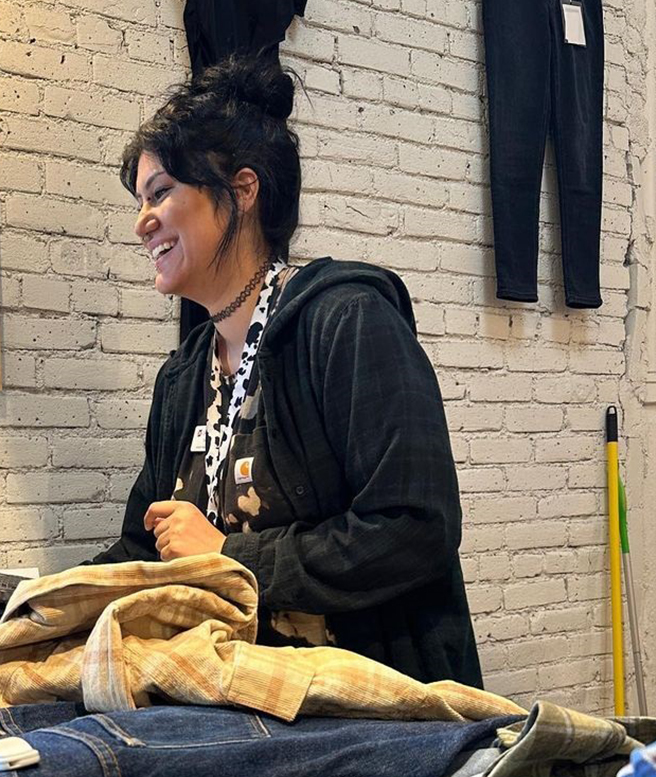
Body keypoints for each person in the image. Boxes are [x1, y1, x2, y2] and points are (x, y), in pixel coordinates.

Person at [93, 52, 482, 688]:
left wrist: (227, 557)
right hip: (232, 703)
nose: (143, 222)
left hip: (366, 709)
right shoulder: (183, 378)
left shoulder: (347, 323)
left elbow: (415, 528)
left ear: (242, 190)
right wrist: (33, 601)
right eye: (141, 200)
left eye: (161, 192)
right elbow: (145, 543)